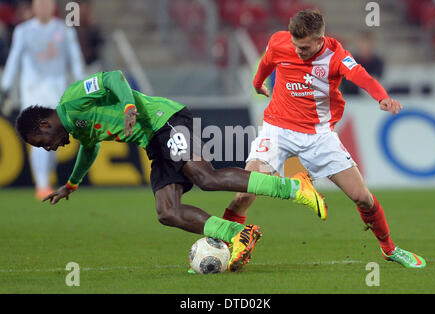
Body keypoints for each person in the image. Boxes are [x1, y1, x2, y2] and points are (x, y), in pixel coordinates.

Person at [15, 70, 327, 272]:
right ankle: (239, 234)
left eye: (42, 142)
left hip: (165, 119)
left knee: (205, 177)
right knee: (167, 211)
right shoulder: (77, 128)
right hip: (153, 143)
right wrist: (72, 184)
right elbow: (90, 146)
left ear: (44, 124)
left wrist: (129, 108)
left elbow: (113, 77)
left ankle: (296, 188)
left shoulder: (72, 99)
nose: (49, 148)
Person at [223, 9, 426, 268]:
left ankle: (390, 248)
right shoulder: (279, 41)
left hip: (318, 136)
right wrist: (257, 83)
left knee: (362, 197)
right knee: (244, 193)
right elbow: (266, 62)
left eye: (305, 47)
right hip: (277, 129)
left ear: (320, 40)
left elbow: (362, 76)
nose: (299, 52)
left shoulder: (336, 55)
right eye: (296, 46)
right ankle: (225, 245)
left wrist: (382, 97)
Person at [0, 0, 85, 199]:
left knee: (54, 140)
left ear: (52, 7)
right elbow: (14, 60)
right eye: (40, 4)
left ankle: (46, 178)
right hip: (32, 91)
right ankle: (42, 184)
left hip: (57, 92)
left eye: (47, 4)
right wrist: (6, 87)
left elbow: (75, 60)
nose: (44, 7)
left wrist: (83, 88)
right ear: (34, 8)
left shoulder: (65, 31)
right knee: (38, 135)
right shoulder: (23, 31)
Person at [341, 30, 384, 95]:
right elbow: (347, 84)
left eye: (367, 43)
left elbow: (378, 79)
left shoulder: (378, 62)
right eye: (362, 42)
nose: (364, 46)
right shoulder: (349, 60)